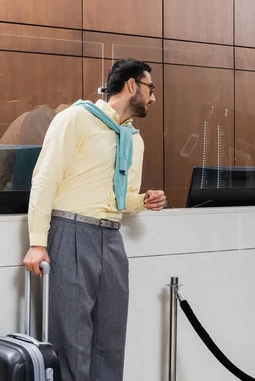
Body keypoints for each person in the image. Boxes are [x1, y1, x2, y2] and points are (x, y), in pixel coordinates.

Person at [22, 58, 167, 381]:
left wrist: (143, 201)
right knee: (71, 342)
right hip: (71, 232)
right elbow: (45, 179)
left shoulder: (133, 139)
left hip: (111, 240)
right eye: (150, 89)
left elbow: (121, 200)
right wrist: (37, 242)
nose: (153, 98)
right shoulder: (76, 118)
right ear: (132, 86)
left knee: (110, 341)